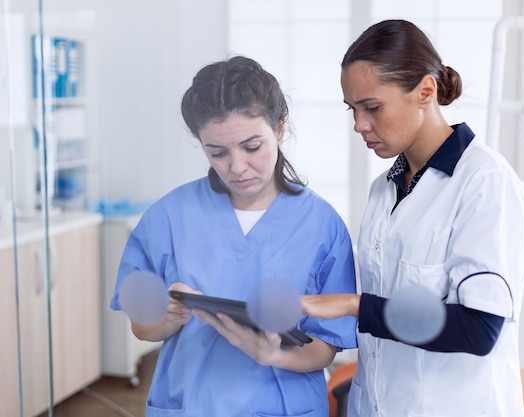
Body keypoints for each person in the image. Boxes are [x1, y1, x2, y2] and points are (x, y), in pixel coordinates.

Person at [301, 19, 524, 417]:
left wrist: (356, 306)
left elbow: (478, 328)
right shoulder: (383, 188)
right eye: (352, 109)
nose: (359, 125)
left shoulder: (484, 182)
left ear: (426, 91)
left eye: (372, 107)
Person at [109, 55, 358, 417]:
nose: (237, 167)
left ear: (280, 129)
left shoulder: (322, 225)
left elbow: (327, 345)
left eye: (252, 147)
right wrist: (168, 316)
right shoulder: (167, 217)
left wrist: (273, 354)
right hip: (193, 404)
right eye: (218, 152)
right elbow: (142, 329)